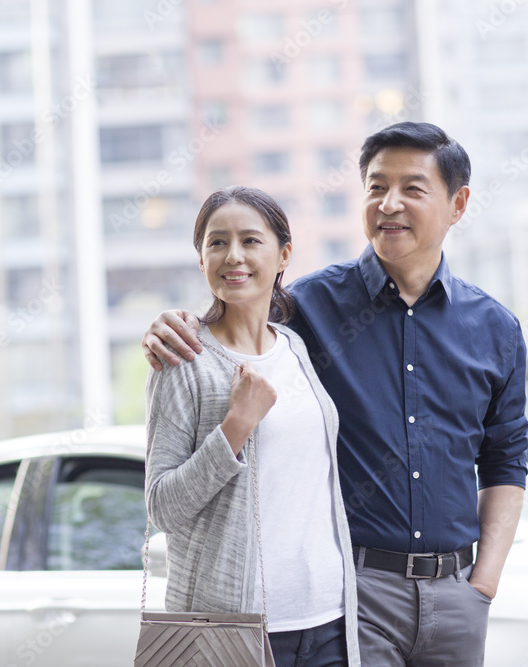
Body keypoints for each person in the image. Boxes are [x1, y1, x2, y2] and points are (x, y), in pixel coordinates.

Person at [142, 122, 528, 666]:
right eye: (376, 186)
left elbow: (506, 463)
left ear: (457, 203)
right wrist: (170, 326)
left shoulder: (496, 329)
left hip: (458, 596)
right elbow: (237, 313)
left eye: (412, 188)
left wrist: (482, 583)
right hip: (357, 594)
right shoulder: (308, 309)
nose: (389, 203)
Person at [145, 185, 360, 666]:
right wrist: (236, 427)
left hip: (328, 618)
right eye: (217, 242)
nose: (233, 255)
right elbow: (162, 507)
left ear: (283, 254)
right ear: (200, 259)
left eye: (250, 240)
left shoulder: (294, 348)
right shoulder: (184, 360)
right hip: (235, 626)